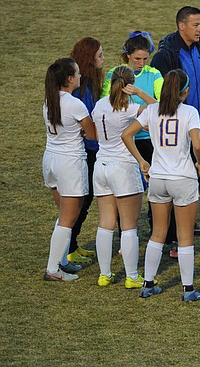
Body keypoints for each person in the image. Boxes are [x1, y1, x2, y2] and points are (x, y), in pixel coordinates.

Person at [121, 69, 200, 302]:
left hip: (158, 179)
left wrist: (142, 161)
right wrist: (199, 162)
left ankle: (148, 284)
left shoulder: (151, 110)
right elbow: (198, 145)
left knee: (157, 233)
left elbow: (127, 135)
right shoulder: (189, 111)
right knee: (185, 235)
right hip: (183, 179)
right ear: (185, 91)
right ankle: (188, 289)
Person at [151, 5, 200, 237]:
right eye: (196, 24)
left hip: (197, 124)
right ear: (182, 26)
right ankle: (165, 231)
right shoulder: (165, 55)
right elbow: (159, 92)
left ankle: (187, 221)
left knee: (194, 174)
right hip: (175, 127)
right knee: (172, 175)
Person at [102, 31, 166, 250]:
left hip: (149, 139)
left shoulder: (155, 74)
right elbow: (106, 103)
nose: (141, 63)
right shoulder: (115, 74)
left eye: (145, 59)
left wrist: (138, 92)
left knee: (155, 188)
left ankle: (155, 234)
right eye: (137, 58)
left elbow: (161, 104)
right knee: (125, 191)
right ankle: (125, 239)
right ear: (127, 55)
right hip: (125, 142)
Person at [92, 66, 155, 288]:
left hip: (101, 167)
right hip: (124, 168)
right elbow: (157, 110)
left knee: (105, 223)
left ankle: (104, 274)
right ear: (128, 84)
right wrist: (139, 92)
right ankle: (131, 276)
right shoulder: (129, 108)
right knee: (129, 225)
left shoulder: (99, 105)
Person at [42, 58, 97, 281]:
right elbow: (92, 134)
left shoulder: (49, 100)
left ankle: (62, 261)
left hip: (51, 161)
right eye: (77, 72)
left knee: (64, 214)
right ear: (70, 79)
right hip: (70, 163)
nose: (81, 76)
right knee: (68, 218)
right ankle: (53, 270)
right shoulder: (75, 104)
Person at [66, 37, 105, 268]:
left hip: (87, 150)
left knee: (85, 199)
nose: (103, 58)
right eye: (100, 55)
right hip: (84, 152)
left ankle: (72, 244)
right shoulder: (83, 88)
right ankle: (68, 249)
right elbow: (86, 122)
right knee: (81, 200)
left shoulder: (89, 82)